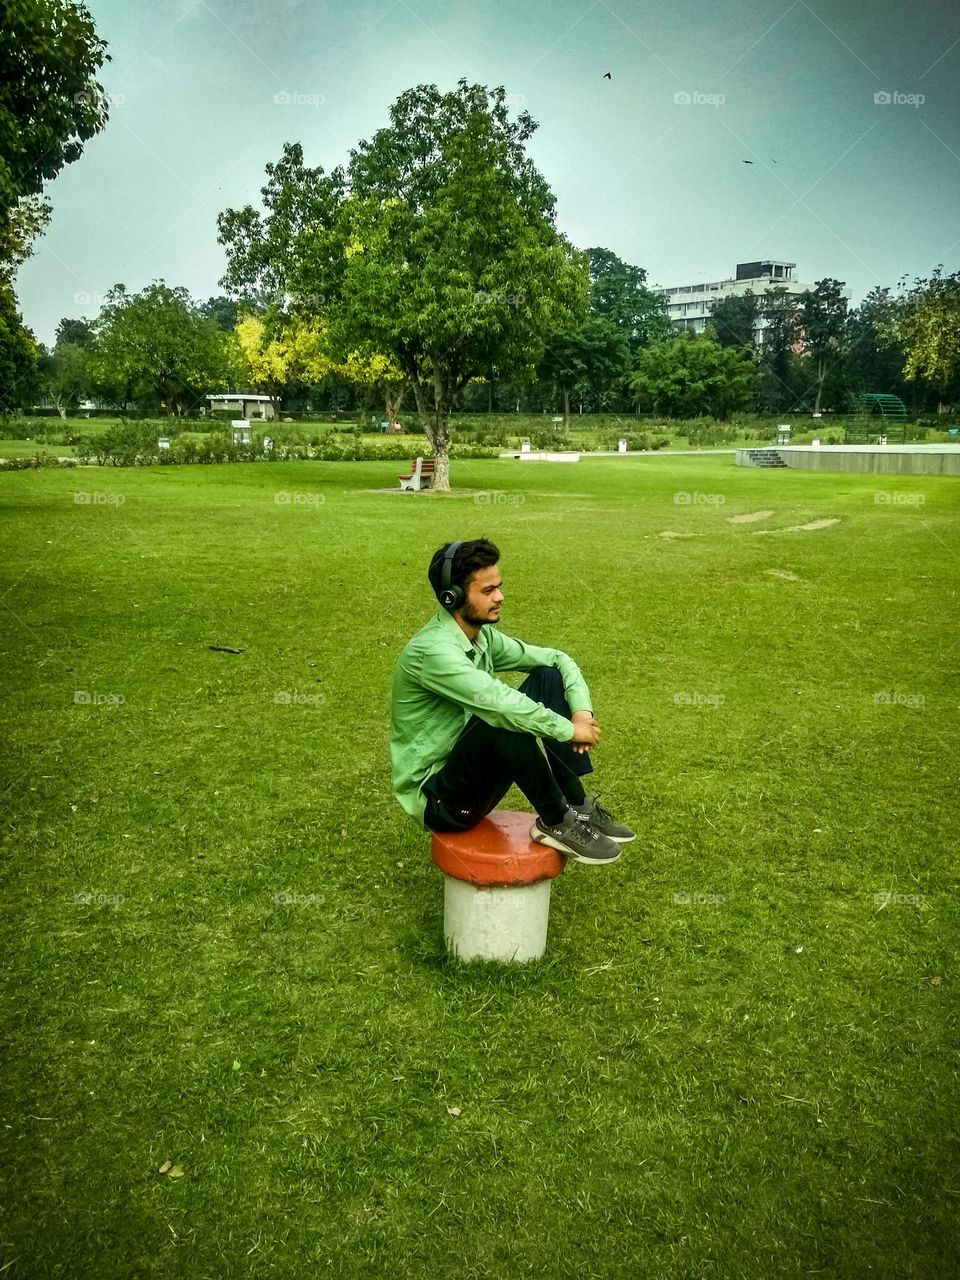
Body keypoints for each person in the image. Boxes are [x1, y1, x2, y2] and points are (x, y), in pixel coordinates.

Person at [390, 538, 635, 865]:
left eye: (499, 587)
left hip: (475, 776)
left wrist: (581, 712)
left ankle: (579, 806)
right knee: (503, 718)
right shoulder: (433, 652)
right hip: (442, 802)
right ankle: (556, 819)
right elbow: (502, 706)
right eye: (488, 591)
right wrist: (568, 730)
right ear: (454, 597)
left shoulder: (481, 636)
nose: (500, 597)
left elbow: (557, 659)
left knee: (547, 675)